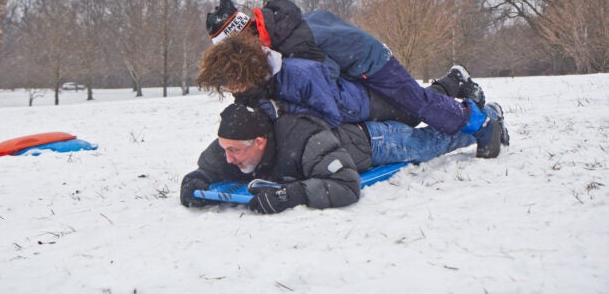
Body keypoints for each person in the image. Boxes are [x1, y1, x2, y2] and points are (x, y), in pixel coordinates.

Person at [205, 0, 500, 158]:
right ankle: (455, 81)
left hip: (371, 62)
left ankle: (481, 123)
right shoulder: (274, 30)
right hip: (351, 66)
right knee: (405, 108)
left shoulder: (291, 42)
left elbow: (322, 80)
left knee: (417, 105)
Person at [180, 102, 508, 214]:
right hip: (346, 139)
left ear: (260, 142)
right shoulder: (237, 143)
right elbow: (209, 166)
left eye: (234, 150)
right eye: (225, 148)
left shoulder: (303, 140)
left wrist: (288, 194)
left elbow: (346, 186)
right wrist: (195, 181)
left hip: (375, 142)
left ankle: (488, 116)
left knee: (431, 143)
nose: (228, 157)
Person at [196, 30, 474, 130]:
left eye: (230, 83)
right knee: (414, 104)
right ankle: (453, 80)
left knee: (415, 112)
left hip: (364, 105)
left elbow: (331, 116)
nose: (230, 90)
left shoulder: (300, 73)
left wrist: (283, 112)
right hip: (356, 105)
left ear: (245, 72)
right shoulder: (259, 83)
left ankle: (465, 102)